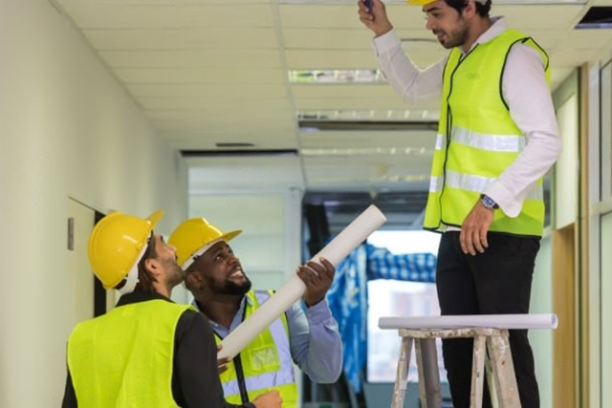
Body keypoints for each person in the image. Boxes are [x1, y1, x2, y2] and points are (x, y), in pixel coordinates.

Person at [358, 1, 562, 407]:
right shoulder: (459, 62)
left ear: (469, 6)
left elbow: (547, 142)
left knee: (504, 353)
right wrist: (383, 31)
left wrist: (490, 201)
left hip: (503, 230)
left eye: (436, 13)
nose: (430, 24)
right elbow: (413, 88)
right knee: (459, 355)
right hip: (456, 232)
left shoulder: (514, 56)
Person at [62, 210, 282, 408]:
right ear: (152, 266)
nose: (173, 249)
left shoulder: (83, 336)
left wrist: (187, 378)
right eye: (163, 244)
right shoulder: (185, 323)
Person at [169, 218, 343, 408]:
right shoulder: (181, 331)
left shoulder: (277, 308)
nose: (234, 260)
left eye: (231, 252)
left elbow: (327, 371)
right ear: (195, 279)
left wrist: (316, 303)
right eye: (220, 257)